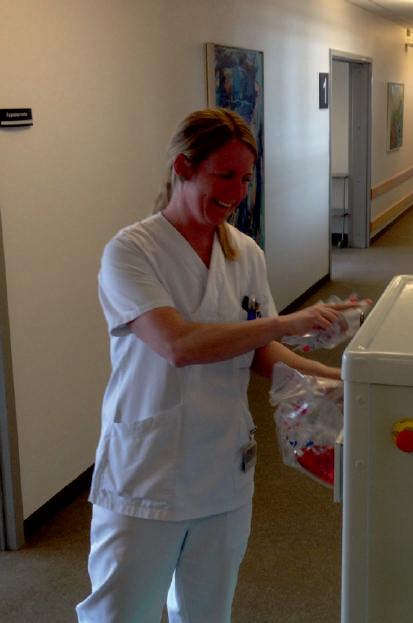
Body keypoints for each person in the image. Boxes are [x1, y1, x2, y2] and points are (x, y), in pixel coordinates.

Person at [76, 108, 356, 622]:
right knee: (121, 613)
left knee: (207, 612)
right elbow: (178, 344)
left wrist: (344, 379)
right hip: (148, 472)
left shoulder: (244, 254)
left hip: (223, 468)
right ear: (183, 167)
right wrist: (285, 322)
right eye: (224, 175)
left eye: (245, 179)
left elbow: (258, 350)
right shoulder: (131, 253)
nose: (237, 192)